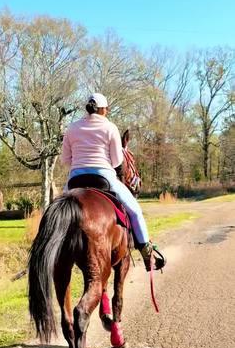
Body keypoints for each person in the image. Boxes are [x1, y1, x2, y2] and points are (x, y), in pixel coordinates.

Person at [61, 93, 166, 271]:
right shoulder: (110, 127)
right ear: (103, 109)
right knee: (135, 210)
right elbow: (117, 161)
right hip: (104, 178)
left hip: (75, 179)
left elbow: (65, 159)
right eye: (107, 109)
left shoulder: (72, 128)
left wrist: (81, 164)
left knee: (57, 210)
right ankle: (147, 253)